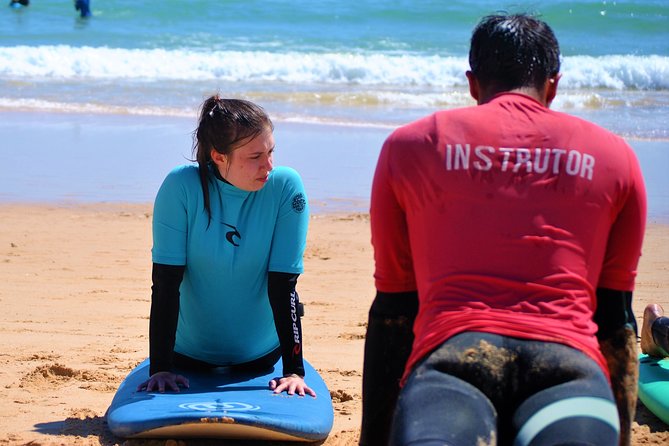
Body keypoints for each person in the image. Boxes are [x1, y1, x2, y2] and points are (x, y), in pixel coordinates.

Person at [360, 13, 646, 446]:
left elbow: (395, 310)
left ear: (473, 83)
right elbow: (615, 321)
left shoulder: (410, 146)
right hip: (570, 373)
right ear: (554, 84)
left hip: (452, 368)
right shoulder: (615, 158)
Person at [137, 95, 315, 398]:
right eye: (255, 156)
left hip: (261, 360)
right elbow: (166, 284)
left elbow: (284, 285)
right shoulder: (181, 188)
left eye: (271, 151)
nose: (268, 165)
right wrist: (161, 368)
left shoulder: (285, 188)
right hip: (185, 358)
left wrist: (294, 370)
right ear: (219, 156)